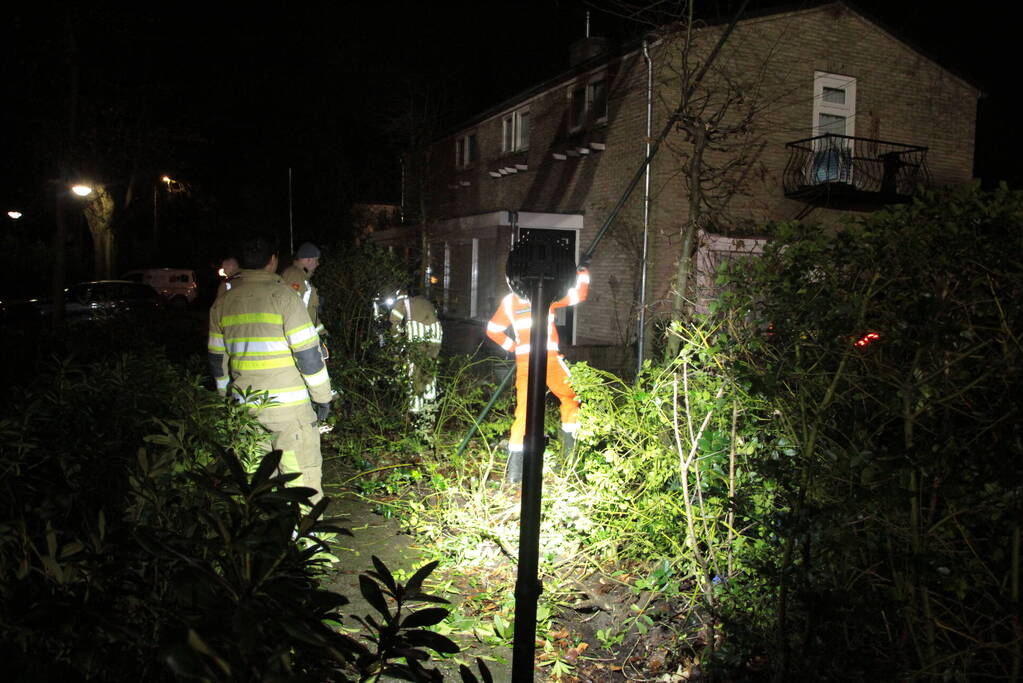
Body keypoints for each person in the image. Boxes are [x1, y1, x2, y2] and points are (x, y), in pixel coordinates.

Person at [208, 232, 333, 504]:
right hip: (290, 413)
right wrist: (323, 397)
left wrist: (224, 400)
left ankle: (263, 538)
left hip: (245, 409)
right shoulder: (284, 297)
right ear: (273, 261)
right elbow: (308, 356)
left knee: (255, 485)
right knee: (302, 484)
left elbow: (218, 361)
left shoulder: (222, 302)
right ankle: (305, 542)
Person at [486, 264, 590, 482]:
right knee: (572, 397)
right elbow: (578, 295)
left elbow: (492, 330)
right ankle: (569, 460)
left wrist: (514, 347)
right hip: (549, 358)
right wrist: (583, 273)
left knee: (524, 412)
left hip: (525, 362)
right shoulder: (546, 295)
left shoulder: (509, 301)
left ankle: (515, 474)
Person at [380, 285, 443, 419]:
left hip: (418, 337)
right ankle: (430, 405)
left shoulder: (402, 302)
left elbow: (394, 323)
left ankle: (415, 411)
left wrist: (397, 341)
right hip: (436, 335)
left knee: (415, 371)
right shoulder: (425, 301)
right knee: (429, 367)